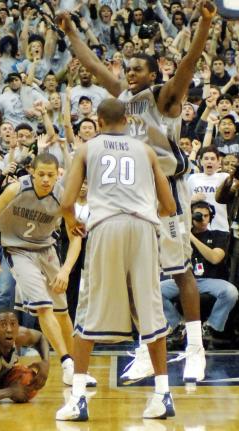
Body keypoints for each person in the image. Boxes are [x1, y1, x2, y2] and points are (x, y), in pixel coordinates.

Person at [57, 0, 217, 384]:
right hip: (136, 193)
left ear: (153, 73)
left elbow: (188, 65)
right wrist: (71, 32)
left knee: (179, 272)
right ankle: (147, 348)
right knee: (138, 275)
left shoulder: (164, 97)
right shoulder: (122, 97)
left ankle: (195, 349)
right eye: (127, 68)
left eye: (137, 69)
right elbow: (95, 66)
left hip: (169, 190)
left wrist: (205, 24)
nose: (130, 73)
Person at [56, 99, 177, 421]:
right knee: (151, 311)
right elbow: (169, 206)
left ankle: (78, 399)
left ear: (98, 121)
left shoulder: (87, 148)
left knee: (88, 310)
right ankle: (163, 395)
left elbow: (66, 202)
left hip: (107, 226)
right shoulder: (146, 150)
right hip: (144, 228)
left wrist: (70, 221)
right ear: (127, 120)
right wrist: (144, 210)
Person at [0, 153, 96, 387]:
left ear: (57, 176)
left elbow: (76, 237)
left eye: (51, 175)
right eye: (41, 174)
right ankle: (67, 364)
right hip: (18, 250)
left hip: (47, 249)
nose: (46, 179)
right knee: (43, 306)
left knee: (62, 312)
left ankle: (78, 369)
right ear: (32, 173)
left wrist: (65, 270)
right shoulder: (15, 189)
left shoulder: (63, 198)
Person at [161, 201, 238, 342]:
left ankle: (211, 326)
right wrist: (184, 233)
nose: (203, 219)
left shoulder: (219, 235)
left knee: (231, 292)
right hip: (185, 280)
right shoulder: (180, 237)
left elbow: (215, 258)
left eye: (206, 216)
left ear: (211, 217)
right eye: (198, 215)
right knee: (156, 291)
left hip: (211, 281)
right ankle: (178, 326)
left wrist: (192, 238)